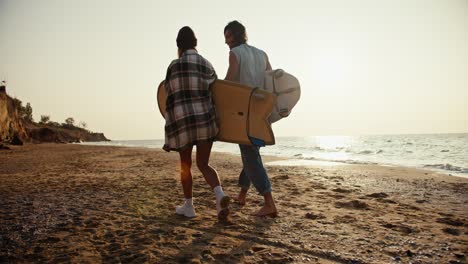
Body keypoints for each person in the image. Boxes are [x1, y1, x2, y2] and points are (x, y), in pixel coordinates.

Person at [163, 26, 230, 220]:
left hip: (184, 123)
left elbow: (168, 95)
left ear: (178, 45)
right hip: (205, 121)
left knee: (185, 165)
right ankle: (220, 195)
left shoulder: (173, 66)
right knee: (203, 163)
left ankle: (189, 207)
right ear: (196, 43)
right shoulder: (206, 64)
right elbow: (217, 91)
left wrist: (169, 130)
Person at [223, 20, 278, 217]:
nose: (226, 41)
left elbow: (229, 82)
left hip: (243, 112)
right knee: (251, 151)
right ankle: (242, 194)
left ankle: (269, 202)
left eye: (228, 36)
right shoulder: (262, 54)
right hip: (261, 111)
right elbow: (271, 81)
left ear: (236, 35)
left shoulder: (235, 53)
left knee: (250, 156)